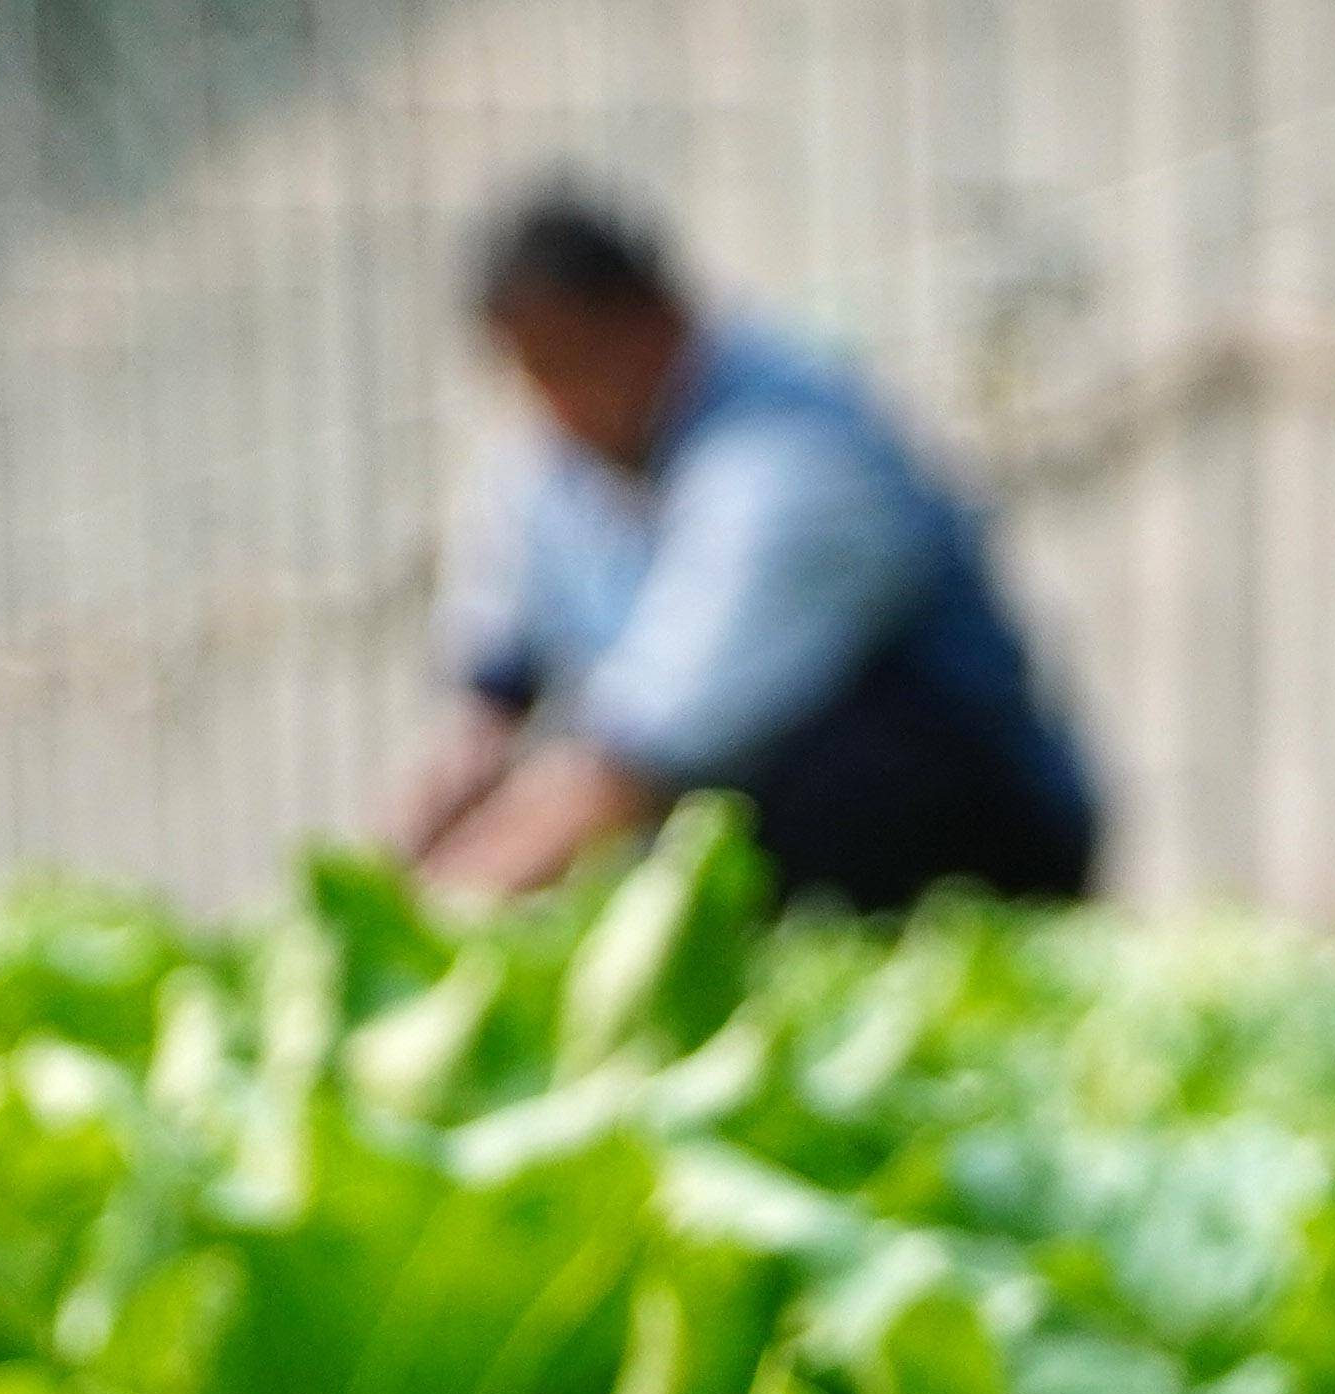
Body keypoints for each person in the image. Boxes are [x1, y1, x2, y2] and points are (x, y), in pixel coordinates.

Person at [386, 189, 1103, 914]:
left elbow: (635, 758)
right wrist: (385, 875)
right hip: (750, 834)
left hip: (976, 850)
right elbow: (482, 711)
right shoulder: (553, 466)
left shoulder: (790, 454)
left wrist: (432, 921)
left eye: (570, 369)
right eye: (532, 376)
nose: (553, 406)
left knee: (800, 784)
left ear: (656, 324)